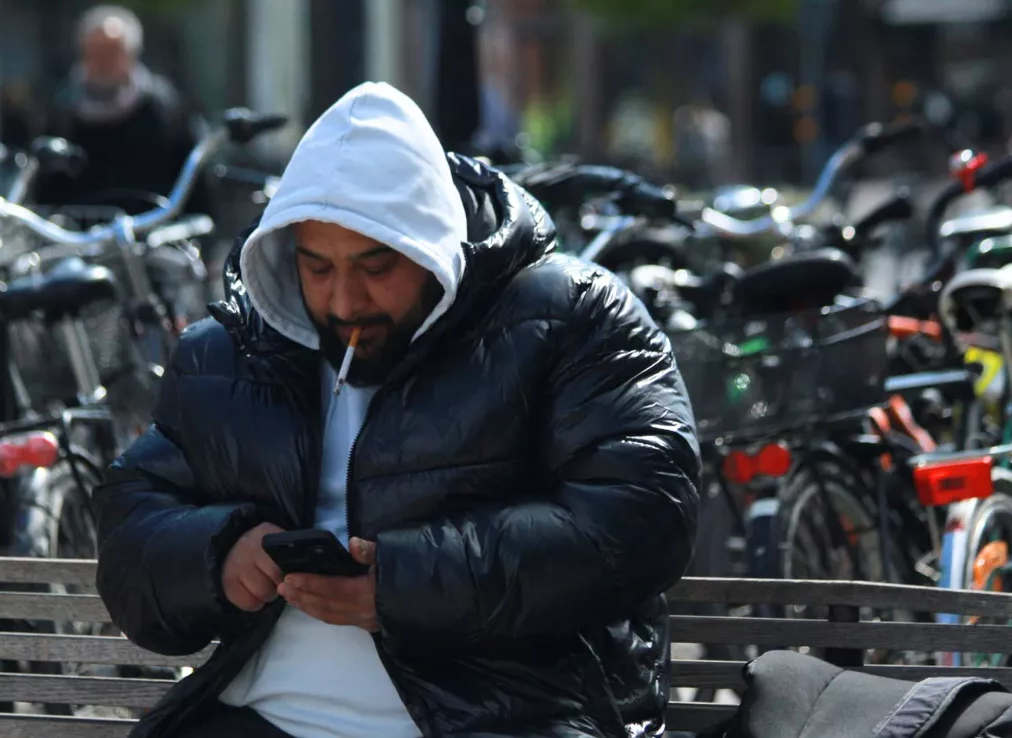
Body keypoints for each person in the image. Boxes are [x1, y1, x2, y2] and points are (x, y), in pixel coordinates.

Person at [95, 81, 700, 738]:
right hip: (258, 717)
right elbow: (132, 522)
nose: (345, 301)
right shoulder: (229, 352)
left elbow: (643, 515)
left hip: (508, 713)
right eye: (316, 268)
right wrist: (217, 554)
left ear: (432, 246)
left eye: (376, 266)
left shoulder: (571, 317)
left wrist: (402, 586)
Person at [35, 4, 210, 214]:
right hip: (80, 234)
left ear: (131, 54)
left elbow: (194, 179)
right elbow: (45, 186)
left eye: (112, 52)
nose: (103, 62)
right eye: (95, 51)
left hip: (151, 231)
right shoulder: (63, 112)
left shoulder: (165, 108)